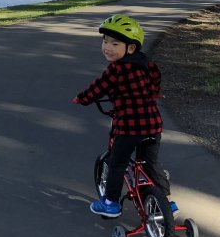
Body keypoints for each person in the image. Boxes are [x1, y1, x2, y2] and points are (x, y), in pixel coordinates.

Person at [72, 14, 176, 218]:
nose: (107, 47)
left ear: (130, 48)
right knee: (150, 164)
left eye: (115, 43)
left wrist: (82, 99)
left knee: (116, 164)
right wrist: (152, 92)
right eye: (105, 41)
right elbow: (156, 78)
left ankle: (111, 203)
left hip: (129, 127)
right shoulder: (147, 63)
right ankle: (168, 202)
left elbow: (97, 88)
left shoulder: (116, 70)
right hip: (153, 124)